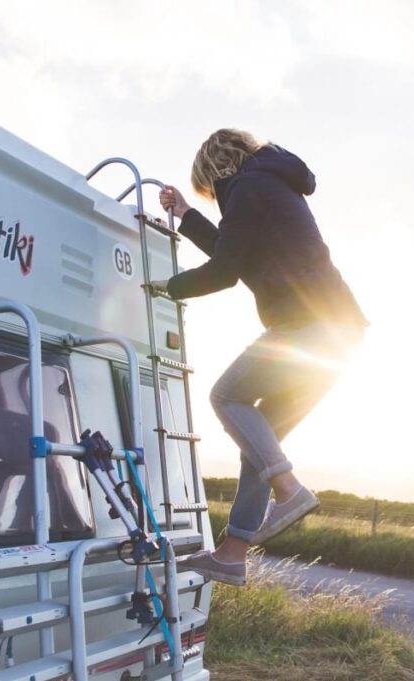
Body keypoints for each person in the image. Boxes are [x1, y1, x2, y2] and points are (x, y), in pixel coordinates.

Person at [151, 128, 367, 586]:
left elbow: (225, 272)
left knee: (226, 396)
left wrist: (166, 288)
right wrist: (187, 216)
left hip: (308, 328)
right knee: (259, 444)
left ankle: (287, 490)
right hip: (339, 336)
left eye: (205, 191)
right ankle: (232, 554)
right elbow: (237, 256)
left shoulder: (246, 187)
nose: (212, 198)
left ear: (213, 169)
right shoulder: (269, 185)